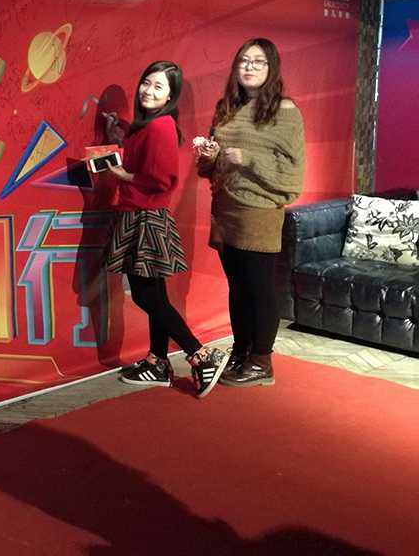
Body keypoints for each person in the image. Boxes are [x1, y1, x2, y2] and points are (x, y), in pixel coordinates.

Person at [103, 61, 230, 398]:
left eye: (158, 87)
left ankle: (200, 355)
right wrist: (119, 135)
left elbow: (160, 179)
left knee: (145, 296)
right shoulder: (149, 125)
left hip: (144, 218)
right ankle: (158, 361)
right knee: (156, 295)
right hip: (144, 216)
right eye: (146, 83)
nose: (148, 90)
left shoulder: (160, 126)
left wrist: (122, 174)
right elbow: (145, 159)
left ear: (170, 97)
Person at [195, 38, 304, 387]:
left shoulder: (285, 111)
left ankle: (262, 361)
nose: (250, 67)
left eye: (258, 61)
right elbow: (208, 169)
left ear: (272, 68)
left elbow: (293, 174)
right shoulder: (226, 107)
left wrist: (248, 158)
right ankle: (241, 350)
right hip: (225, 210)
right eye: (244, 60)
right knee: (238, 287)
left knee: (259, 288)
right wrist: (210, 156)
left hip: (259, 212)